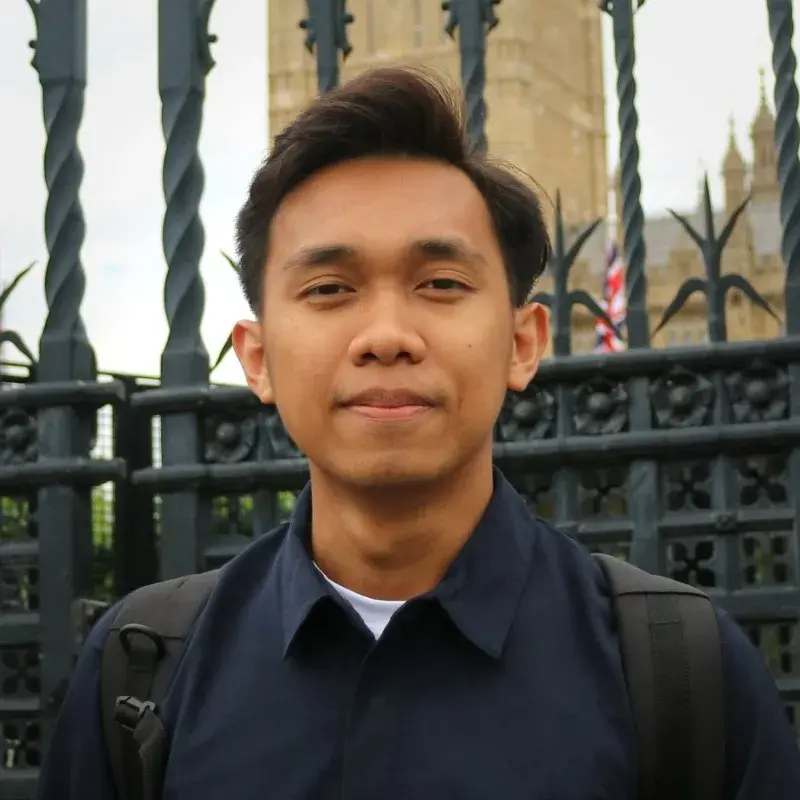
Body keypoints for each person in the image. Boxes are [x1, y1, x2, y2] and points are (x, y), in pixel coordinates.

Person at [37, 66, 799, 799]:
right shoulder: (139, 670)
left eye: (441, 284)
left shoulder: (681, 673)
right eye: (330, 289)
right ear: (258, 359)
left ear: (525, 342)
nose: (387, 335)